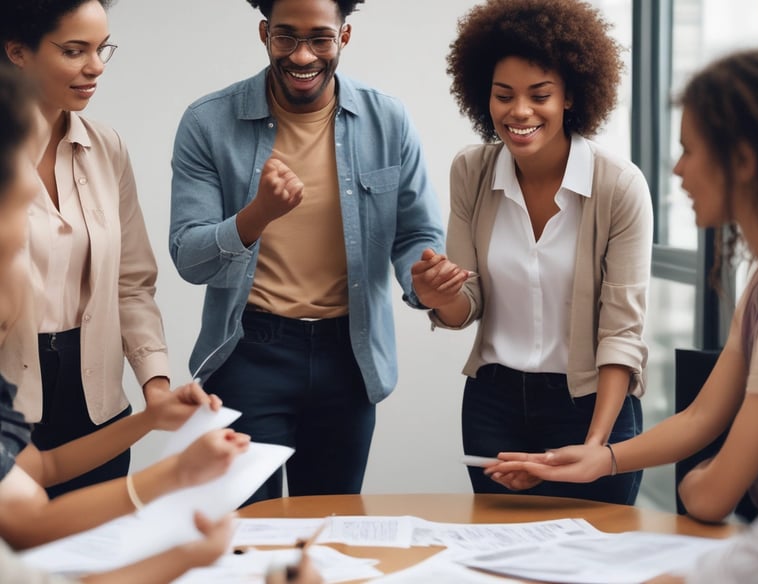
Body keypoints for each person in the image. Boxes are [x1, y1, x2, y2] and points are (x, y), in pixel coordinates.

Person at [169, 0, 444, 503]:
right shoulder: (208, 122)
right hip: (250, 352)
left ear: (344, 36)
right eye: (285, 37)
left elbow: (417, 235)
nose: (301, 56)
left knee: (332, 528)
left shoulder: (388, 120)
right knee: (248, 533)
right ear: (263, 33)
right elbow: (190, 258)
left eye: (319, 38)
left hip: (350, 355)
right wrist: (257, 215)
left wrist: (421, 282)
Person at [486, 47, 758, 525]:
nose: (677, 171)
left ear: (740, 160)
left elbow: (710, 497)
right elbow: (702, 417)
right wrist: (604, 458)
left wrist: (694, 481)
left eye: (689, 150)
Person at [0, 62, 247, 584]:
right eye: (19, 232)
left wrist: (156, 421)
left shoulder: (106, 146)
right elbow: (28, 529)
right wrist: (185, 556)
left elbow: (39, 475)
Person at [411, 0, 652, 505]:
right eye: (504, 96)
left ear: (570, 96)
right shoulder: (471, 173)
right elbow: (465, 305)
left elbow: (621, 334)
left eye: (539, 95)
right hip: (493, 404)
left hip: (591, 404)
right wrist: (439, 295)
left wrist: (593, 447)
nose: (519, 111)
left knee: (595, 561)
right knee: (500, 560)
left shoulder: (619, 187)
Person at [0, 0, 176, 496]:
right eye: (75, 50)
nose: (95, 66)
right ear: (18, 51)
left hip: (94, 392)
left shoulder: (107, 147)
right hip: (11, 385)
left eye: (101, 49)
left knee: (99, 554)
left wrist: (155, 387)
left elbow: (132, 283)